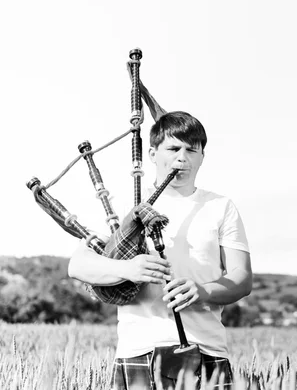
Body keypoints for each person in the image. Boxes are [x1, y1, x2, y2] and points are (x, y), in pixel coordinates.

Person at [68, 111, 252, 389]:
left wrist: (202, 291)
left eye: (192, 150)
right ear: (152, 153)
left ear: (202, 157)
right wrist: (127, 268)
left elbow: (242, 278)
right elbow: (78, 266)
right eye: (173, 148)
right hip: (140, 349)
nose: (182, 157)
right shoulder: (128, 205)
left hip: (206, 349)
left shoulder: (220, 206)